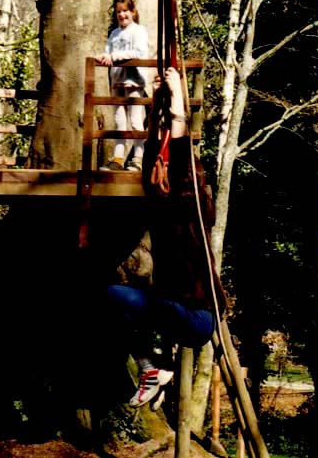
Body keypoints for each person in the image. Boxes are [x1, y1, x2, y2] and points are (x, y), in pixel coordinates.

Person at [106, 67, 227, 408]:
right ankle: (156, 367)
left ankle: (157, 366)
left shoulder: (189, 212)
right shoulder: (164, 209)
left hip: (198, 317)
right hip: (177, 313)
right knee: (117, 299)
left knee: (114, 297)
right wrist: (158, 101)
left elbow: (181, 159)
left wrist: (177, 103)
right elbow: (154, 161)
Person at [96, 0, 150, 172]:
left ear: (132, 12)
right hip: (117, 81)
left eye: (125, 11)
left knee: (135, 121)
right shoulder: (114, 33)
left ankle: (138, 159)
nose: (122, 15)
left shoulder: (138, 31)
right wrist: (103, 57)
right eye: (118, 11)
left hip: (134, 81)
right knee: (119, 121)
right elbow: (108, 52)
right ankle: (118, 159)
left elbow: (138, 52)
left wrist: (113, 57)